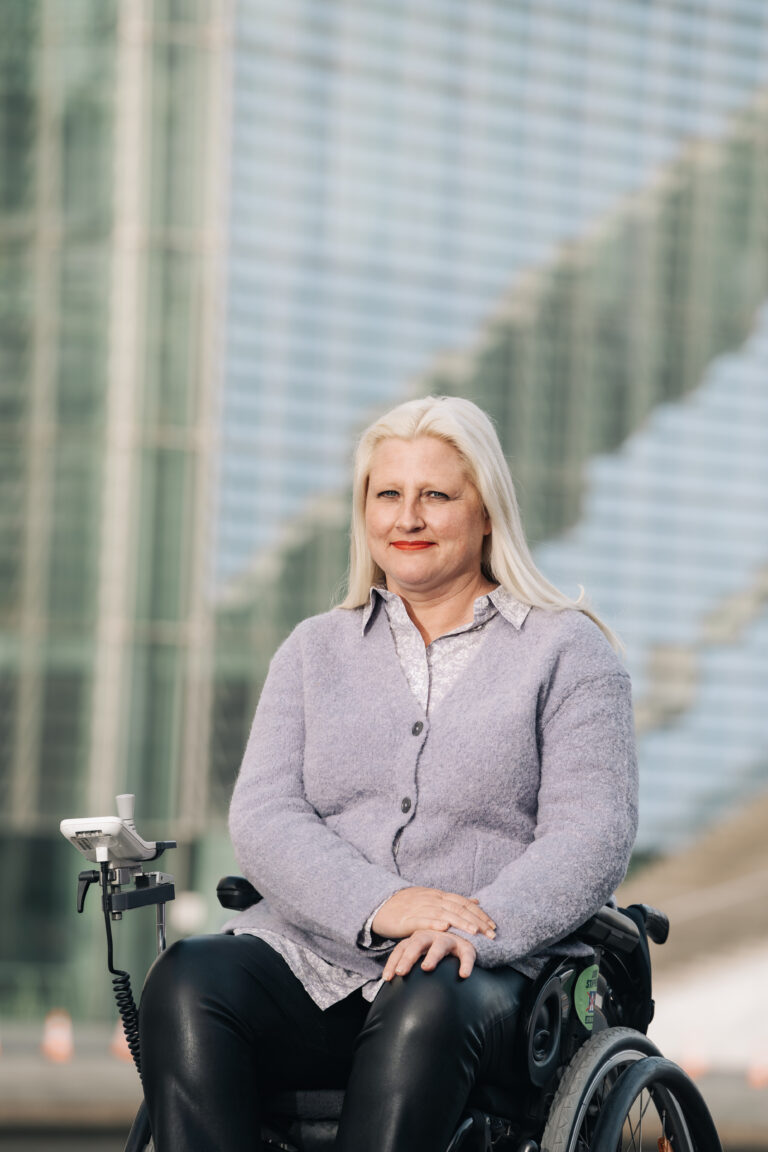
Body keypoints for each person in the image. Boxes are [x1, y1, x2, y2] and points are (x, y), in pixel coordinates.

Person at [139, 395, 638, 1152]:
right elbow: (266, 816)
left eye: (436, 495)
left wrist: (474, 926)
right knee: (189, 979)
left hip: (486, 977)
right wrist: (384, 903)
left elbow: (593, 832)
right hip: (315, 958)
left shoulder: (568, 653)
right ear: (364, 514)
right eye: (388, 495)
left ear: (487, 514)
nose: (408, 517)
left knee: (426, 995)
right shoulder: (313, 650)